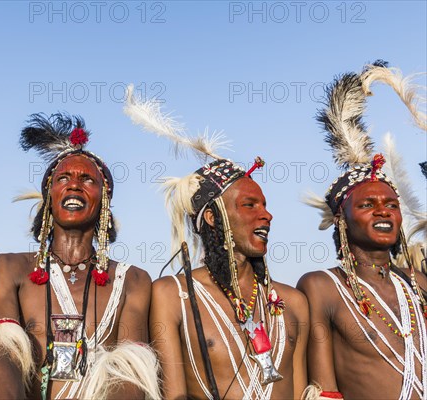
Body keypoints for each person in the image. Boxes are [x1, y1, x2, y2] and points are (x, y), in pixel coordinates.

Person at [124, 86, 309, 399]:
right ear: (212, 217)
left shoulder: (294, 302)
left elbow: (304, 390)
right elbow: (174, 395)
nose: (267, 215)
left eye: (264, 205)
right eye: (250, 205)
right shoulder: (174, 294)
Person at [0, 113, 160, 399]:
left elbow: (129, 374)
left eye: (87, 179)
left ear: (104, 200)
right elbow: (1, 354)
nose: (74, 185)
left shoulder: (132, 280)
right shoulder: (10, 268)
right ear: (49, 196)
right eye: (63, 178)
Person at [298, 61, 427, 399]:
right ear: (342, 218)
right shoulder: (321, 287)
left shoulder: (419, 284)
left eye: (392, 204)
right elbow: (325, 390)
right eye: (368, 205)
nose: (384, 211)